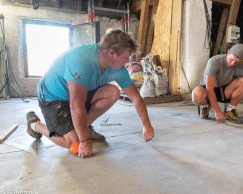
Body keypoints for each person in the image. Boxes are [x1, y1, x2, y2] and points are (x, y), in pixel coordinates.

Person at [26, 29, 155, 158]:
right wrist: (84, 141)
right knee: (73, 144)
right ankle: (35, 125)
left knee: (112, 92)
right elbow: (76, 105)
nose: (127, 62)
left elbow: (135, 98)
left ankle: (83, 128)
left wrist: (146, 125)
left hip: (79, 93)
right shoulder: (81, 62)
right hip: (53, 97)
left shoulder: (118, 69)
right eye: (125, 58)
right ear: (111, 53)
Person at [192, 43, 243, 125]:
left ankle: (230, 111)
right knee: (197, 95)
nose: (232, 63)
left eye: (236, 62)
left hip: (224, 91)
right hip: (208, 89)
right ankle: (207, 105)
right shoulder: (214, 61)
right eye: (231, 59)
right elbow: (209, 88)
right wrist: (217, 111)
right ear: (228, 52)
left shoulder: (241, 66)